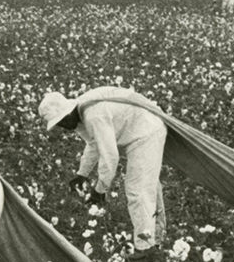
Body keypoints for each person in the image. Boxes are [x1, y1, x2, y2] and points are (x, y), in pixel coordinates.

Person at [39, 87, 167, 252]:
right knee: (147, 185)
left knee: (138, 189)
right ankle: (156, 235)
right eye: (59, 124)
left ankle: (146, 246)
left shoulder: (94, 115)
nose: (64, 126)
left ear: (68, 111)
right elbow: (93, 145)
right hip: (141, 129)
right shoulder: (79, 115)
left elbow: (110, 157)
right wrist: (82, 174)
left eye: (62, 121)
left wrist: (100, 190)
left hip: (146, 132)